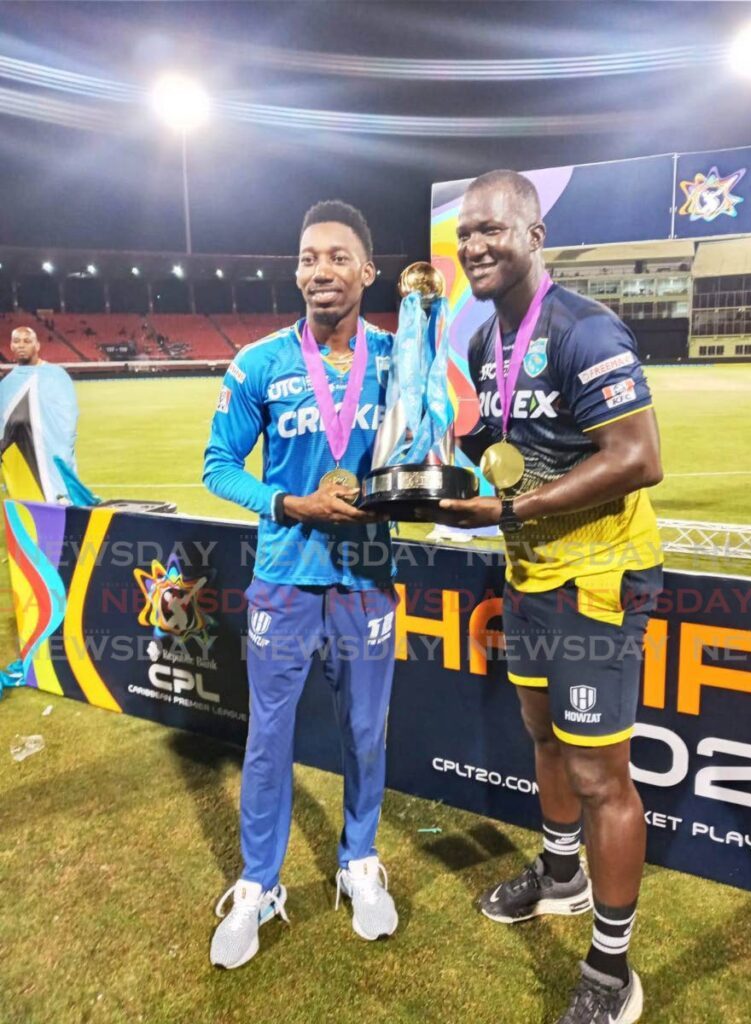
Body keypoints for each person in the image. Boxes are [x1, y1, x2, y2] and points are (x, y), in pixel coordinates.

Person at [439, 170, 663, 1024]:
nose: (474, 246)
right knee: (543, 735)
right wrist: (447, 482)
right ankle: (562, 874)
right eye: (465, 233)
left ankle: (612, 970)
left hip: (597, 577)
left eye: (492, 229)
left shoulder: (583, 328)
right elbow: (511, 453)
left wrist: (514, 506)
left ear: (535, 234)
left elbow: (638, 455)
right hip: (529, 572)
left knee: (604, 775)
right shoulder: (478, 344)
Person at [203, 201, 398, 970]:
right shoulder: (257, 363)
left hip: (368, 579)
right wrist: (288, 503)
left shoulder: (398, 361)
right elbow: (218, 466)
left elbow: (430, 441)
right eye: (309, 257)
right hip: (283, 582)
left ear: (367, 271)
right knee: (267, 741)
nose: (322, 269)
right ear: (297, 270)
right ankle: (259, 884)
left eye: (339, 256)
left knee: (363, 733)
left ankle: (358, 863)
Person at [0, 325, 79, 502]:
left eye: (27, 341)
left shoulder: (56, 375)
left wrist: (62, 453)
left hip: (52, 458)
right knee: (28, 513)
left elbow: (68, 418)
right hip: (21, 462)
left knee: (58, 516)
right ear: (11, 346)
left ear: (37, 345)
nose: (21, 345)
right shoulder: (6, 384)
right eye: (17, 341)